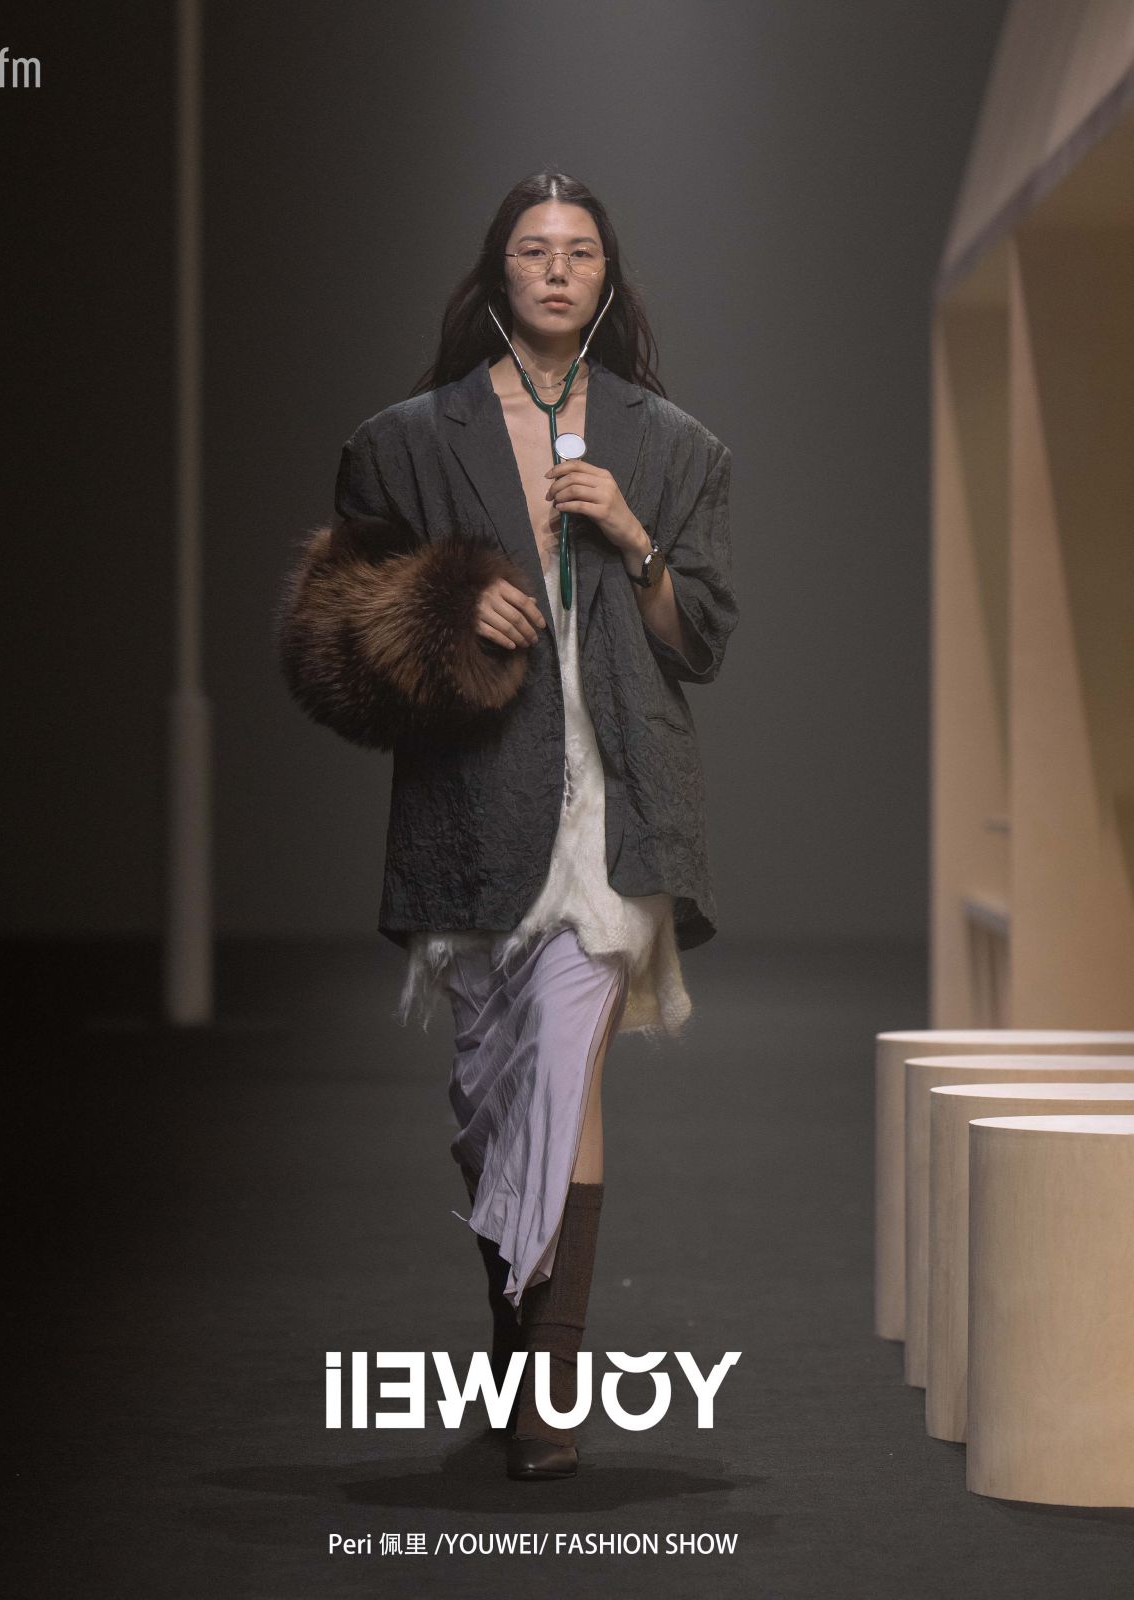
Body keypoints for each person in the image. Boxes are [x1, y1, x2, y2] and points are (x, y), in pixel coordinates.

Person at [274, 171, 739, 1480]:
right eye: (533, 250)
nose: (556, 269)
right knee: (491, 1095)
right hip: (473, 801)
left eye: (579, 251)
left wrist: (635, 537)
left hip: (619, 803)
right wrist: (448, 601)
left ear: (607, 277)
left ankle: (553, 1388)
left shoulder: (676, 447)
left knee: (567, 1065)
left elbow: (702, 640)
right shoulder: (407, 443)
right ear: (496, 275)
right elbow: (330, 630)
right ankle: (515, 1348)